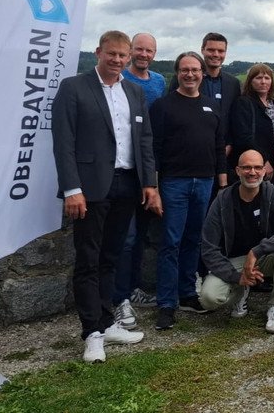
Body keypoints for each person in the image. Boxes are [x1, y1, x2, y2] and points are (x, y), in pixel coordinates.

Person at [52, 30, 161, 363]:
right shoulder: (74, 88)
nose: (117, 60)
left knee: (111, 256)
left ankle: (106, 321)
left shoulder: (134, 91)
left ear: (128, 57)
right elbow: (63, 142)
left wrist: (149, 182)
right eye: (111, 54)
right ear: (98, 52)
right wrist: (72, 189)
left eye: (122, 55)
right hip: (89, 187)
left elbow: (144, 140)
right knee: (88, 259)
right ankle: (92, 333)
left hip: (127, 184)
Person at [150, 52, 227, 331]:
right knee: (171, 242)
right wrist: (153, 187)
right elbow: (154, 149)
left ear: (202, 74)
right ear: (177, 73)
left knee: (194, 240)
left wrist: (222, 182)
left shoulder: (211, 106)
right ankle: (166, 303)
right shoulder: (163, 106)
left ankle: (186, 294)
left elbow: (218, 146)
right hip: (174, 183)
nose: (190, 74)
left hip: (205, 182)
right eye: (185, 70)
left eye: (195, 70)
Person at [199, 150, 274, 335]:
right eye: (246, 167)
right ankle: (241, 289)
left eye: (257, 167)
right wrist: (236, 277)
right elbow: (208, 247)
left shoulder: (273, 193)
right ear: (237, 170)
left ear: (264, 171)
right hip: (234, 261)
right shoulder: (223, 200)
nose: (252, 172)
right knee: (208, 298)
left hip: (263, 257)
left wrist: (256, 252)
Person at [113, 32, 166, 329]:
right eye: (139, 50)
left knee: (141, 235)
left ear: (155, 54)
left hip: (150, 166)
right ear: (131, 51)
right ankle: (119, 296)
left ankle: (132, 288)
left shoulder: (158, 81)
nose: (144, 55)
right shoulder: (120, 79)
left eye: (149, 51)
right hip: (124, 167)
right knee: (126, 236)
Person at [170, 32, 241, 159]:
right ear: (202, 50)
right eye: (211, 50)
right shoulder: (184, 79)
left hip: (226, 153)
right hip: (189, 152)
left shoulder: (233, 83)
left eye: (221, 51)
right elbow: (173, 112)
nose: (216, 54)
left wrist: (229, 144)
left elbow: (234, 117)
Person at [231, 64, 274, 186]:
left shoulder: (273, 103)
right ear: (250, 81)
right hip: (256, 165)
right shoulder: (243, 103)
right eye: (258, 78)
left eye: (267, 78)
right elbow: (243, 137)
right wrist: (263, 161)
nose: (263, 81)